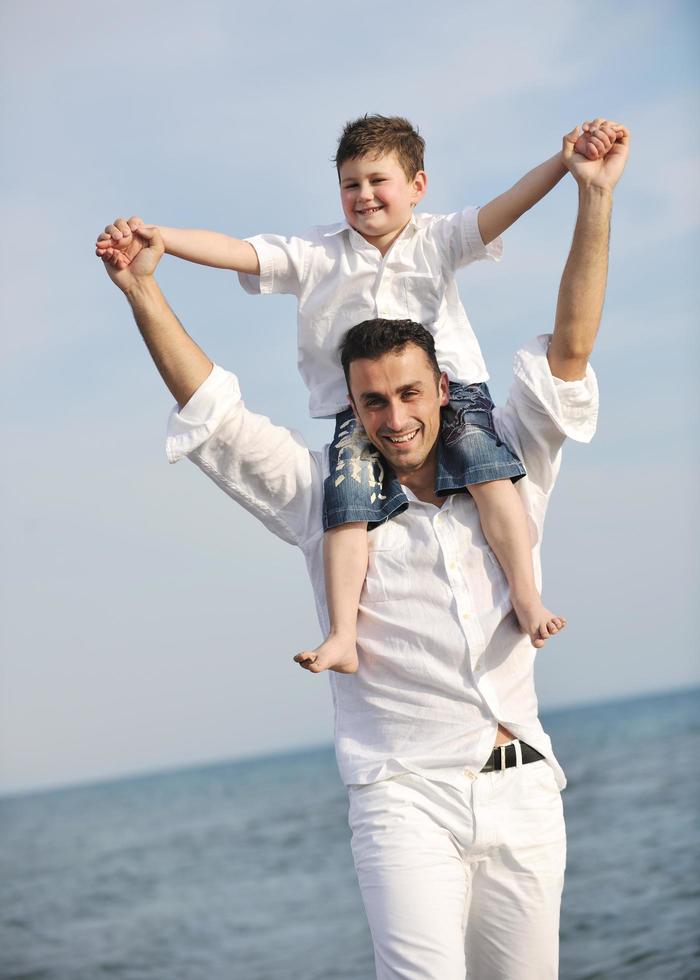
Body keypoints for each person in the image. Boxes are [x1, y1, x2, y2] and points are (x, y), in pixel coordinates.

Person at [97, 121, 628, 979]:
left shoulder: (508, 466)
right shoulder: (323, 497)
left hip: (526, 786)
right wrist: (144, 292)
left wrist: (593, 198)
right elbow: (218, 418)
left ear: (444, 389)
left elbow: (570, 352)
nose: (394, 417)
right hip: (403, 797)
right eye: (371, 402)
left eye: (410, 394)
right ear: (350, 404)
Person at [96, 115, 618, 675]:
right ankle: (343, 633)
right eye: (351, 185)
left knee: (491, 478)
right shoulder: (317, 252)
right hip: (355, 412)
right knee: (345, 513)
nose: (364, 196)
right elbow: (238, 251)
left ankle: (526, 595)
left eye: (378, 181)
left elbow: (508, 204)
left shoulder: (438, 238)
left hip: (455, 396)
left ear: (418, 187)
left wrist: (567, 168)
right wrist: (164, 241)